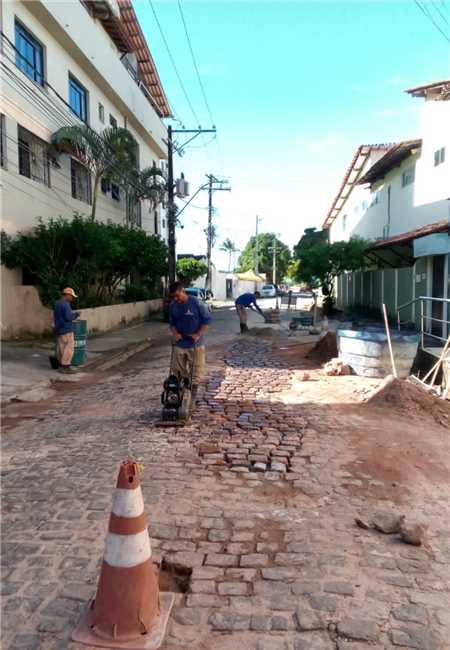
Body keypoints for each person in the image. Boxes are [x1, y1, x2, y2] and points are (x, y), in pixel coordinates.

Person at [169, 281, 212, 396]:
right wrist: (175, 333)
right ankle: (182, 388)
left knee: (196, 370)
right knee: (176, 369)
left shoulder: (197, 303)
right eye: (174, 297)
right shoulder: (173, 305)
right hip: (180, 342)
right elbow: (172, 323)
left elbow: (207, 321)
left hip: (195, 343)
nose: (176, 299)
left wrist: (198, 334)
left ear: (183, 291)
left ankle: (193, 393)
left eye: (177, 296)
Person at [53, 288, 80, 374]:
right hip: (66, 329)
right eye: (71, 296)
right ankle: (66, 366)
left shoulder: (57, 303)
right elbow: (68, 317)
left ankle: (61, 366)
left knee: (61, 348)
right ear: (67, 295)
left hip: (59, 329)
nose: (72, 298)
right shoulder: (65, 304)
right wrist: (76, 315)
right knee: (69, 348)